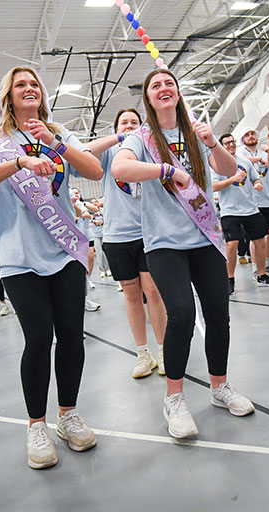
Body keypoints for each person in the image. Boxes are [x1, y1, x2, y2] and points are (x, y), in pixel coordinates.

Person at [0, 66, 102, 470]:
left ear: (42, 95)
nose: (29, 89)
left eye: (34, 85)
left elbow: (95, 171)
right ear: (8, 96)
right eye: (20, 85)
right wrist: (19, 162)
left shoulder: (58, 132)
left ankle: (68, 413)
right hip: (18, 255)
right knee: (39, 338)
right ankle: (36, 425)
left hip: (64, 251)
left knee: (72, 337)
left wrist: (55, 143)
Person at [113, 68, 255, 440]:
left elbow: (229, 170)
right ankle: (174, 398)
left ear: (178, 93)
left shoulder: (196, 131)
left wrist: (213, 144)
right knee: (181, 314)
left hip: (205, 237)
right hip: (164, 243)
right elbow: (120, 167)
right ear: (148, 97)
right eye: (155, 85)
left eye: (169, 84)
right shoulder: (141, 136)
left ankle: (219, 386)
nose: (164, 88)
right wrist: (163, 168)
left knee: (219, 314)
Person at [85, 108, 168, 378]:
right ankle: (143, 353)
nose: (130, 126)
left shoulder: (147, 149)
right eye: (124, 122)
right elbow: (85, 153)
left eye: (135, 122)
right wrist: (117, 138)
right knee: (132, 296)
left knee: (153, 292)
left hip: (149, 233)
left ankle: (163, 350)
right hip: (117, 235)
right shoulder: (112, 152)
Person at [214, 133, 269, 293]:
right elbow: (214, 186)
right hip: (230, 210)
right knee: (231, 245)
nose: (230, 145)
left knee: (260, 241)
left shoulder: (245, 162)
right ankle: (229, 279)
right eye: (226, 143)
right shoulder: (217, 164)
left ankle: (262, 274)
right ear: (222, 146)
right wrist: (232, 179)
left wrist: (257, 183)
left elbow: (255, 178)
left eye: (232, 142)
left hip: (250, 208)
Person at [240, 128, 269, 276]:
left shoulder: (265, 154)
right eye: (247, 135)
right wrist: (259, 159)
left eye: (252, 133)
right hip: (252, 202)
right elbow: (238, 161)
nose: (250, 136)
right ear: (242, 140)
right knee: (257, 236)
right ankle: (256, 268)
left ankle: (267, 263)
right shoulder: (241, 154)